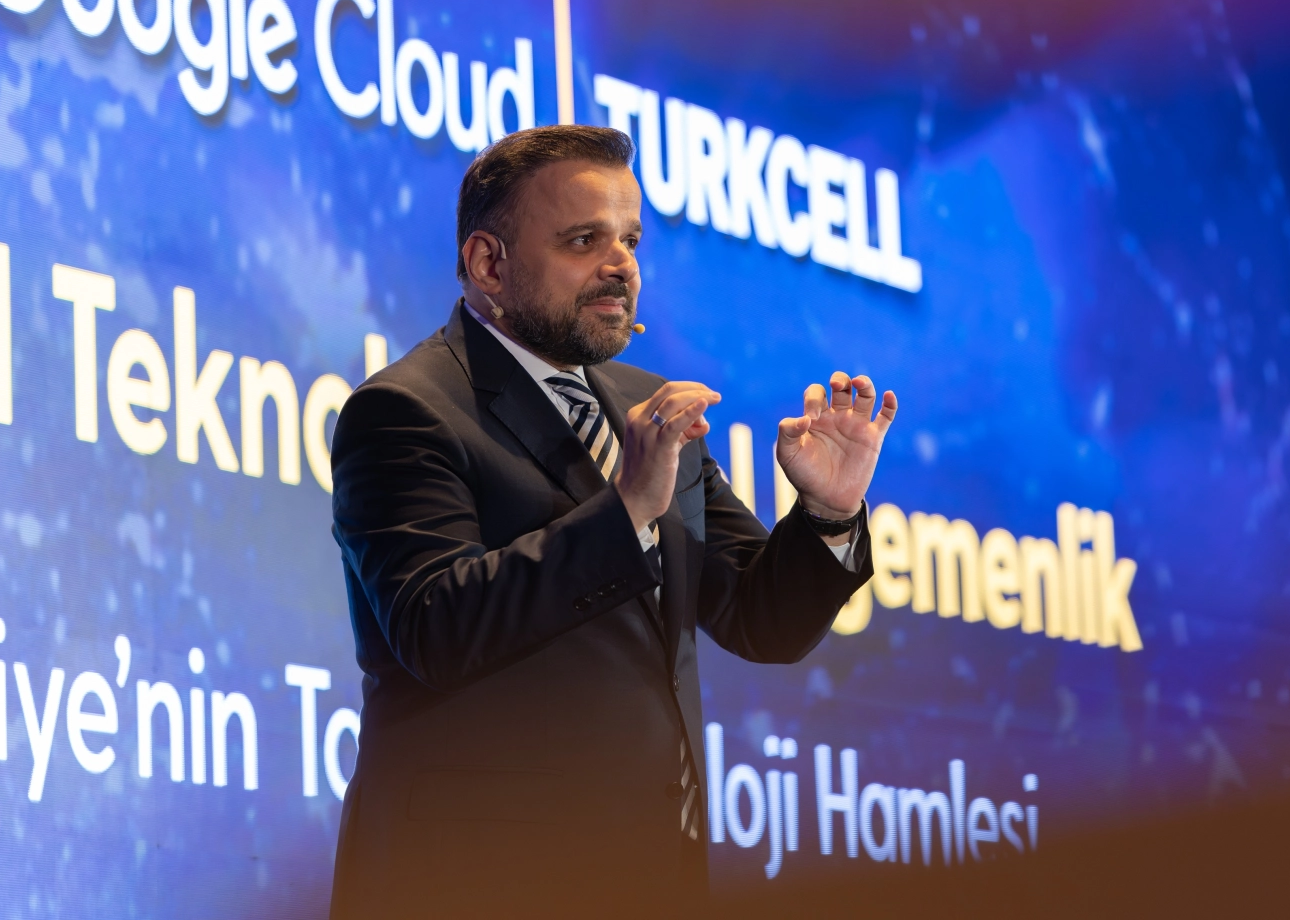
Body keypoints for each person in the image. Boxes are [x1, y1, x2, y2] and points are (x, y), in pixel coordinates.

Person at [328, 125, 897, 917]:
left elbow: (760, 619)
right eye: (583, 240)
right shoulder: (406, 411)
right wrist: (625, 508)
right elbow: (434, 626)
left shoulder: (645, 405)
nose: (621, 264)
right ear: (489, 264)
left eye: (629, 239)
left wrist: (828, 514)